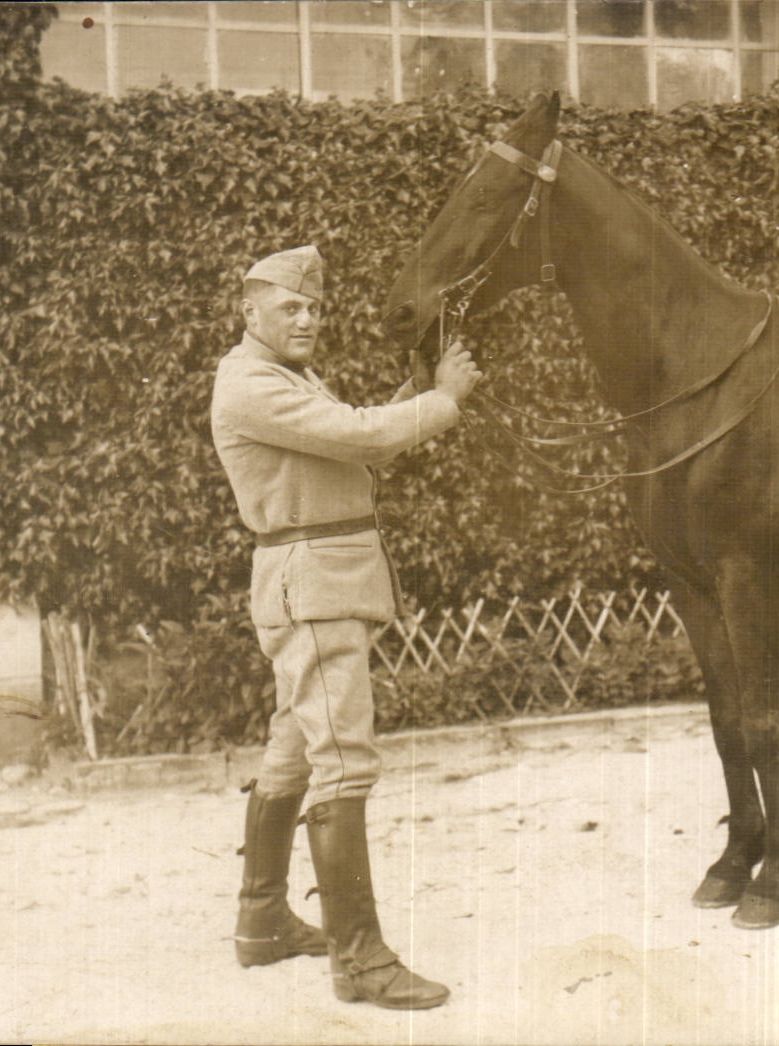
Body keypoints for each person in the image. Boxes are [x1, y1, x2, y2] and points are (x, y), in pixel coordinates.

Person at [209, 245, 481, 1010]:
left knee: (292, 749)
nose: (306, 318)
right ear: (248, 312)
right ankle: (361, 962)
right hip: (315, 587)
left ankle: (261, 921)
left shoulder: (285, 378)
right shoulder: (252, 382)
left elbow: (348, 450)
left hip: (315, 583)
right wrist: (445, 401)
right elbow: (356, 436)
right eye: (289, 306)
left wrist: (413, 398)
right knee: (343, 762)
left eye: (315, 307)